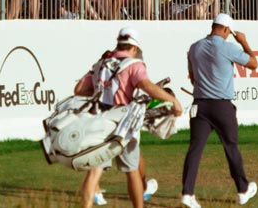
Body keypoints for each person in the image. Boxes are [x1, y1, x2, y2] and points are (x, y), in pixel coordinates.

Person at [74, 27, 182, 208]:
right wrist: (172, 100)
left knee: (94, 173)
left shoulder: (101, 64)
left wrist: (101, 87)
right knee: (131, 172)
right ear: (133, 47)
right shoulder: (134, 65)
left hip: (100, 122)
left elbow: (78, 90)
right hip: (123, 124)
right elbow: (146, 86)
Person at [181, 14, 258, 208]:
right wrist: (244, 42)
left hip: (199, 104)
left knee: (195, 149)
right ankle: (242, 189)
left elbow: (192, 78)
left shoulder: (194, 47)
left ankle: (187, 193)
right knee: (231, 146)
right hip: (222, 105)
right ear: (226, 30)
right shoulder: (227, 47)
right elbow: (254, 64)